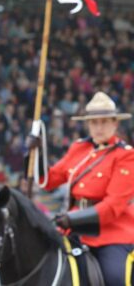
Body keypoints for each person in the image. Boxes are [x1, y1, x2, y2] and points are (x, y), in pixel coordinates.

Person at [31, 92, 134, 285]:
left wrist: (72, 219)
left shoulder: (125, 156)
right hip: (74, 232)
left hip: (110, 233)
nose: (99, 127)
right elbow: (49, 180)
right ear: (88, 125)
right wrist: (37, 153)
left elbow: (113, 206)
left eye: (104, 122)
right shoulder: (79, 148)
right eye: (94, 122)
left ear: (115, 124)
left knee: (115, 276)